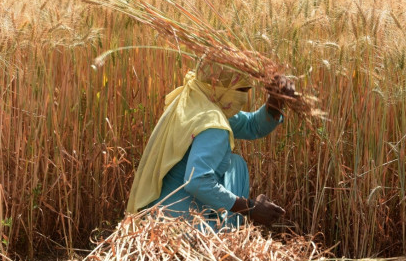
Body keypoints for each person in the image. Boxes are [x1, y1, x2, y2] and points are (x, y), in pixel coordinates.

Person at [126, 61, 295, 228]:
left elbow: (252, 126)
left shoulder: (194, 99)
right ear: (222, 88)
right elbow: (197, 181)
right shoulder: (213, 124)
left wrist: (276, 100)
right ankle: (225, 235)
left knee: (235, 165)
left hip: (155, 219)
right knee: (237, 167)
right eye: (241, 90)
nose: (244, 97)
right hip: (179, 229)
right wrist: (250, 207)